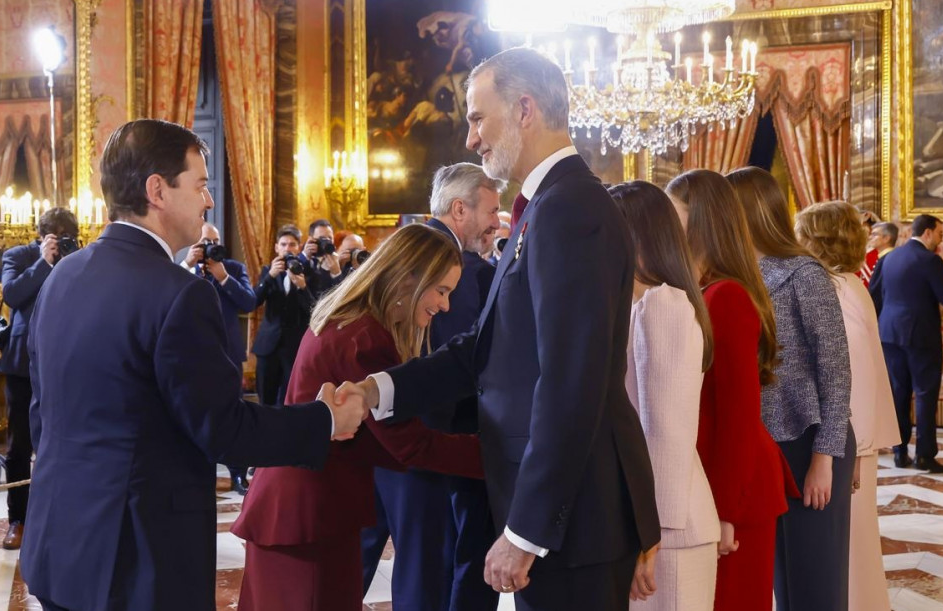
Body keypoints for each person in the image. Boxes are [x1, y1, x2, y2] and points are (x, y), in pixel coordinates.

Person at [342, 47, 661, 611]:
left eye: (477, 117)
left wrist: (525, 532)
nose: (470, 138)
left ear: (525, 109)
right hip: (563, 515)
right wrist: (378, 389)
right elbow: (485, 351)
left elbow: (571, 382)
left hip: (572, 520)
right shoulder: (546, 205)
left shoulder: (570, 208)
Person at [19, 119, 366, 611]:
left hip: (60, 543)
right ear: (157, 190)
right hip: (138, 559)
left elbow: (43, 414)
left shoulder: (62, 277)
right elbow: (223, 429)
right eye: (201, 184)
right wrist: (326, 420)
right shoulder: (180, 294)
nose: (208, 201)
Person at [233, 223, 484, 611]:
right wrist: (501, 456)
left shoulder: (356, 321)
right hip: (308, 517)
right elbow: (410, 444)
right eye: (441, 291)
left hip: (305, 509)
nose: (446, 305)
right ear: (408, 278)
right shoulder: (364, 337)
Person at [360, 162, 503, 611]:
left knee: (360, 555)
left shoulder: (407, 250)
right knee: (431, 570)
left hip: (384, 431)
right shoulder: (456, 266)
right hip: (428, 439)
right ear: (460, 208)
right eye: (492, 211)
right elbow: (461, 360)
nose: (497, 224)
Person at [666, 170, 796, 611]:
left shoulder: (727, 297)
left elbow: (740, 415)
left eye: (674, 214)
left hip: (736, 492)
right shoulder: (706, 289)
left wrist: (725, 512)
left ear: (701, 221)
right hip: (717, 482)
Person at [727, 166, 854, 611]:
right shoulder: (736, 274)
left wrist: (826, 457)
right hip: (763, 446)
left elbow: (835, 370)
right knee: (777, 580)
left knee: (814, 584)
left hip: (807, 442)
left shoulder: (804, 273)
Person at [608, 181, 720, 611]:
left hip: (671, 530)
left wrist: (651, 537)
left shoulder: (664, 305)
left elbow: (668, 432)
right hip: (652, 524)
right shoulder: (640, 304)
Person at [795, 201, 900, 611]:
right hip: (851, 437)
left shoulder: (833, 289)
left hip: (847, 440)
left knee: (849, 546)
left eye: (801, 233)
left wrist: (846, 445)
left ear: (818, 239)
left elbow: (850, 372)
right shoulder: (846, 283)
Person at [0, 207, 80, 550]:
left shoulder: (80, 258)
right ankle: (18, 519)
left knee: (66, 440)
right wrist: (44, 263)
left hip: (69, 361)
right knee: (20, 446)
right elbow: (12, 295)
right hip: (22, 364)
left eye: (66, 235)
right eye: (55, 235)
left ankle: (62, 516)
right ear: (41, 234)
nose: (61, 241)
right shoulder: (19, 255)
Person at [869, 213, 943, 473]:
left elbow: (874, 295)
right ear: (927, 232)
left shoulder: (889, 257)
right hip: (921, 337)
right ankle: (925, 456)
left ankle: (899, 452)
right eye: (939, 234)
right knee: (925, 395)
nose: (940, 239)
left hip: (889, 335)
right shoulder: (930, 261)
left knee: (898, 393)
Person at [181, 222, 258, 493]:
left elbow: (249, 302)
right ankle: (195, 474)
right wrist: (187, 266)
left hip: (227, 352)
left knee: (233, 414)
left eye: (214, 241)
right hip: (190, 353)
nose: (210, 247)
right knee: (191, 413)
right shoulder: (183, 269)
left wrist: (224, 276)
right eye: (205, 242)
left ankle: (238, 474)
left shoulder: (234, 269)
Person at [251, 224, 314, 406]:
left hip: (294, 348)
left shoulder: (308, 273)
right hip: (268, 346)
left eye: (292, 244)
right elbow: (253, 302)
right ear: (277, 247)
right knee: (265, 400)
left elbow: (315, 311)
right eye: (284, 244)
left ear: (299, 247)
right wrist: (269, 276)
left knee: (291, 400)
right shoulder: (267, 271)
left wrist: (302, 287)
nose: (288, 248)